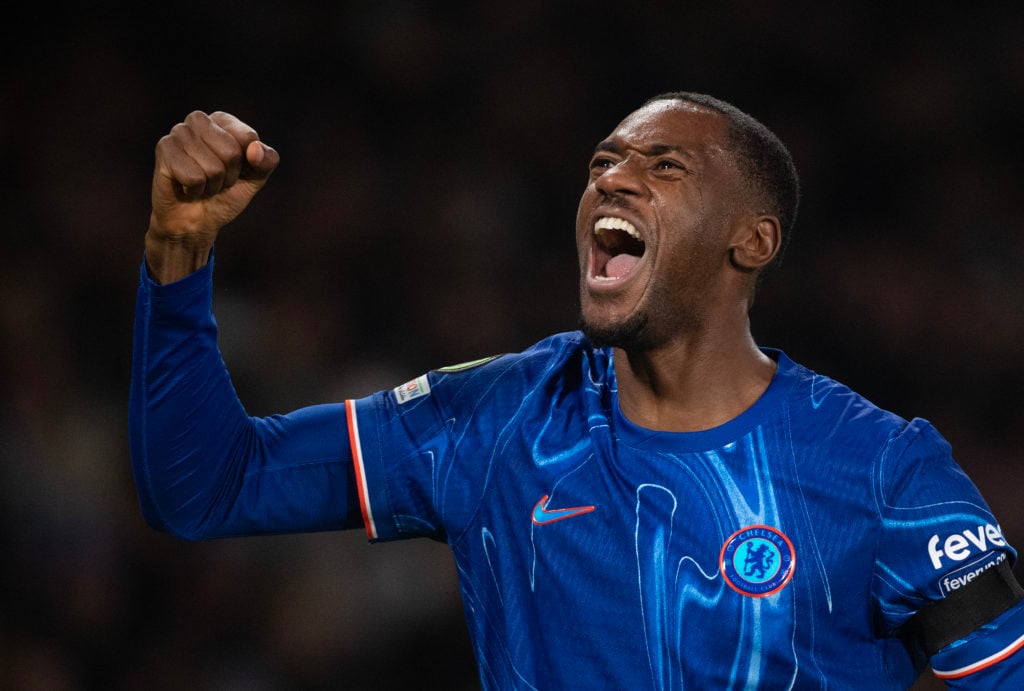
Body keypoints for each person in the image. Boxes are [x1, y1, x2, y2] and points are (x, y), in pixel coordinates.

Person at [129, 92, 1024, 688]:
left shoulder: (883, 469)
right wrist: (178, 252)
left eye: (664, 165)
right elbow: (207, 485)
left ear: (750, 241)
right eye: (603, 161)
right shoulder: (496, 420)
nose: (612, 176)